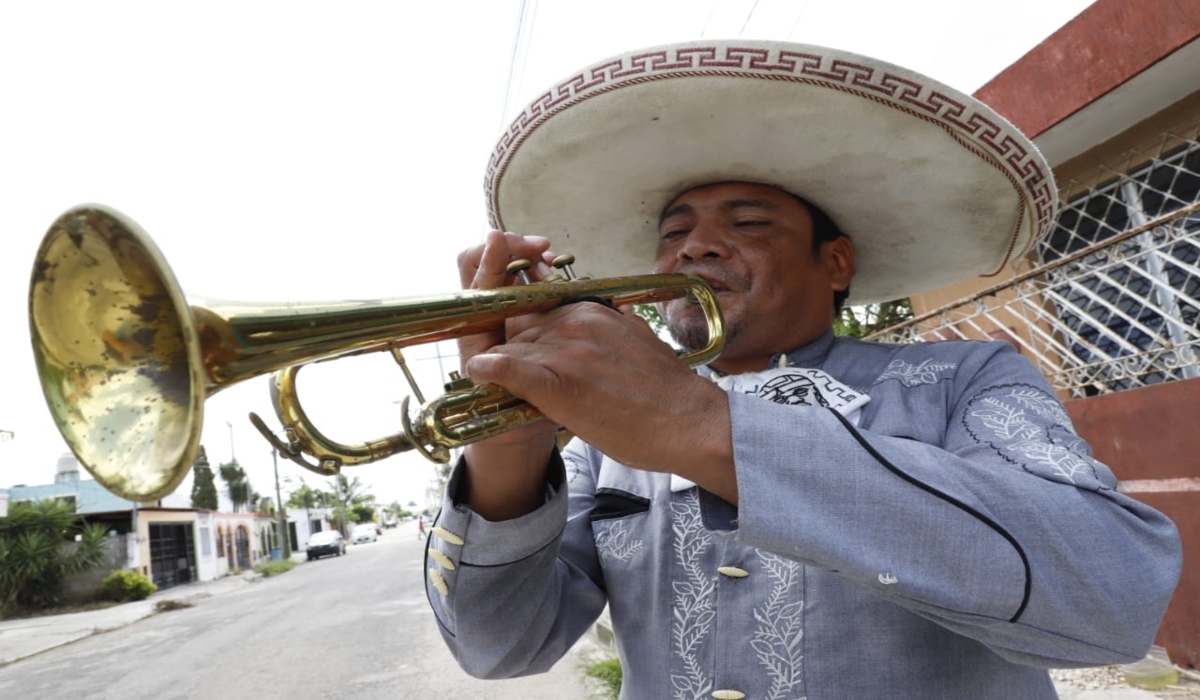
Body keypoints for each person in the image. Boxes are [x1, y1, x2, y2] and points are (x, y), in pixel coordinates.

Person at [423, 40, 1182, 699]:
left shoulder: (964, 376)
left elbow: (1116, 596)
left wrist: (700, 425)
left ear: (836, 261)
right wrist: (508, 444)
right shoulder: (598, 442)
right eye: (674, 233)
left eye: (748, 223)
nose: (694, 248)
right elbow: (499, 652)